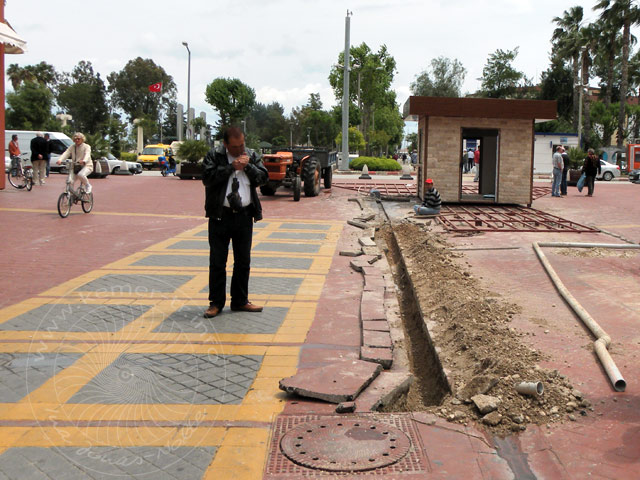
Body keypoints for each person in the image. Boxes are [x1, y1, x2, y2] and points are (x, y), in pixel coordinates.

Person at [202, 126, 268, 319]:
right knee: (217, 261)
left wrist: (247, 166)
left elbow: (264, 178)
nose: (240, 150)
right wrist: (231, 167)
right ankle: (216, 303)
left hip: (244, 216)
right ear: (225, 144)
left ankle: (240, 301)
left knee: (243, 261)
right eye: (234, 147)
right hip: (220, 216)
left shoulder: (252, 155)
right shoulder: (214, 156)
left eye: (242, 145)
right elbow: (207, 178)